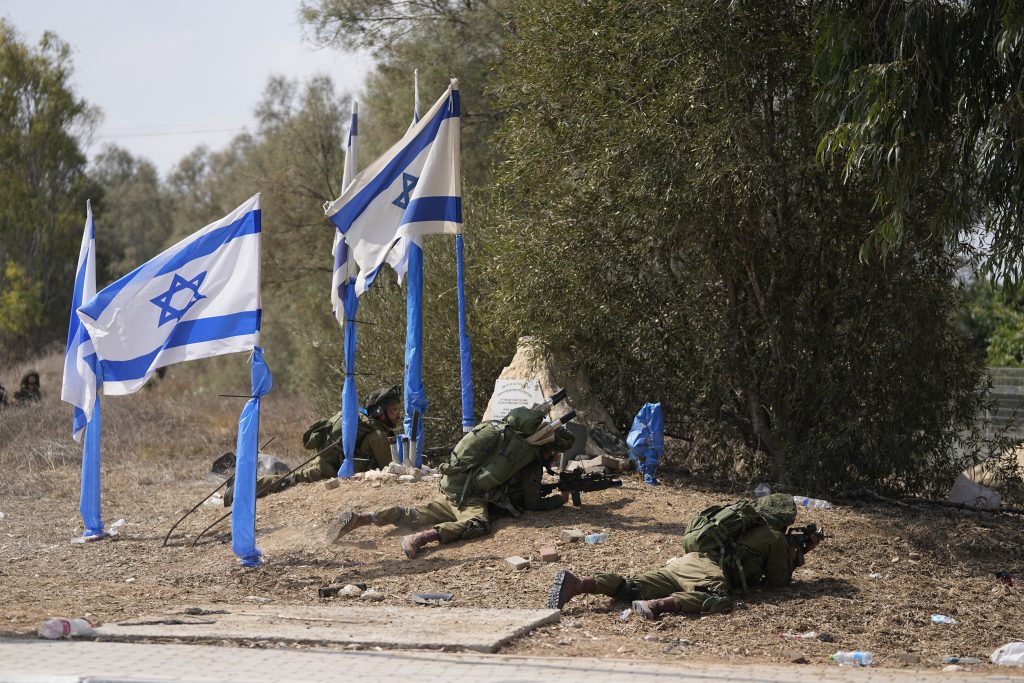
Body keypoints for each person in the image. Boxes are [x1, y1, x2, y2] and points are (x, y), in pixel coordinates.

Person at [326, 406, 575, 558]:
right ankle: (421, 539)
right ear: (550, 448)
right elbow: (532, 504)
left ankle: (365, 517)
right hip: (471, 498)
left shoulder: (503, 432)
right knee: (477, 524)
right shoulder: (528, 457)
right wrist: (558, 500)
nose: (554, 459)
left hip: (453, 488)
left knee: (413, 513)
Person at [547, 493, 820, 619]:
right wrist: (797, 554)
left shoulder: (742, 518)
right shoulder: (773, 537)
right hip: (707, 571)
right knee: (718, 599)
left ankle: (580, 583)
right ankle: (658, 605)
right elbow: (777, 582)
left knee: (631, 586)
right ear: (785, 519)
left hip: (685, 561)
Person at [223, 385, 401, 506]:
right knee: (288, 481)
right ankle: (239, 488)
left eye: (397, 411)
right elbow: (390, 468)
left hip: (328, 464)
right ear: (379, 412)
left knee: (289, 478)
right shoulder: (378, 435)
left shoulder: (369, 427)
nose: (397, 416)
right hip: (326, 469)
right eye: (393, 411)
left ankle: (242, 484)